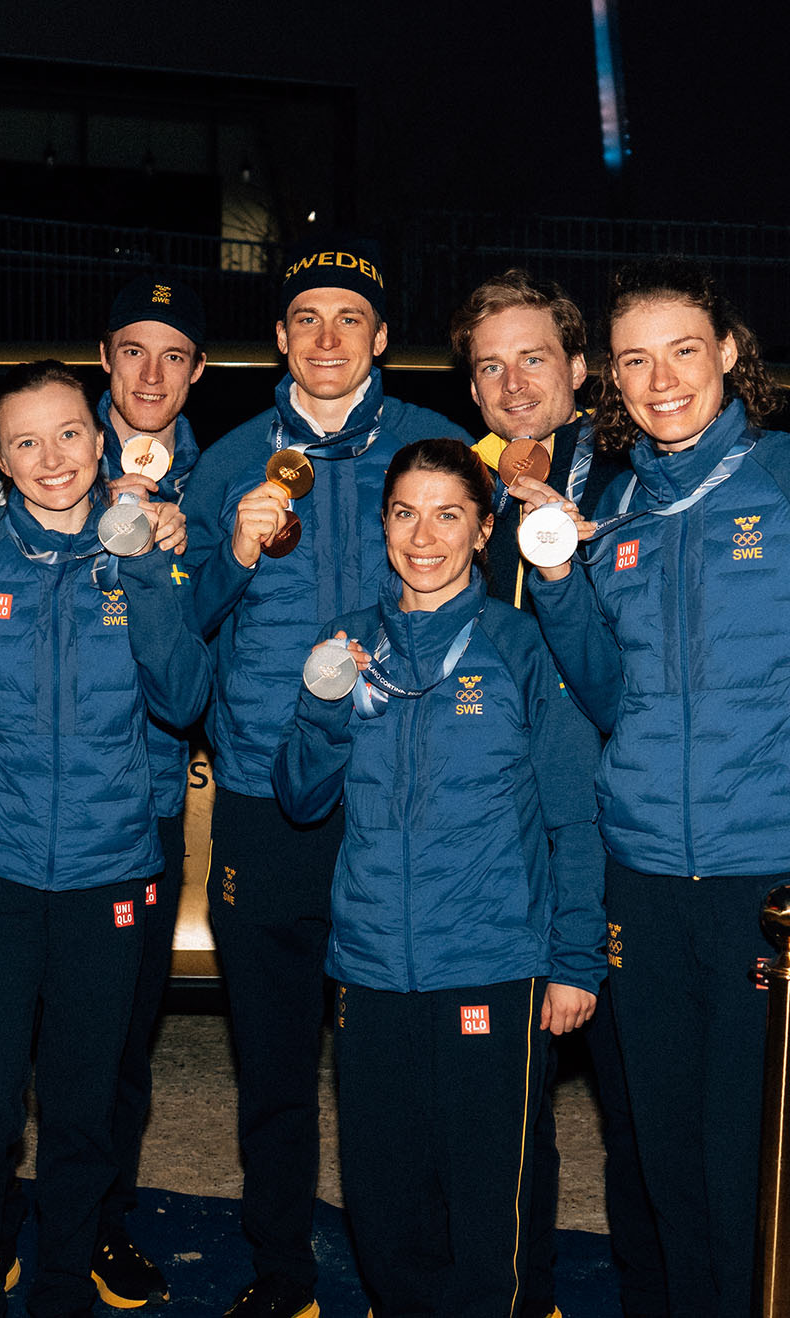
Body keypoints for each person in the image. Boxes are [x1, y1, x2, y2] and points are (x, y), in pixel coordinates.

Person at [181, 234, 468, 1318]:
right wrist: (231, 551)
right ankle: (282, 1273)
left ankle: (417, 1274)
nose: (328, 337)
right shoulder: (229, 460)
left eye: (351, 318)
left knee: (403, 1061)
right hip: (269, 798)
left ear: (382, 338)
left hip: (403, 799)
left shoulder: (438, 448)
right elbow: (182, 621)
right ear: (280, 339)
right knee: (274, 1062)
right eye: (307, 318)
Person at [273, 437, 604, 1318]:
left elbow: (573, 815)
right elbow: (299, 797)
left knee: (491, 1195)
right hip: (372, 961)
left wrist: (576, 959)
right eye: (405, 514)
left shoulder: (521, 645)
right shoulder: (347, 643)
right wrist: (324, 706)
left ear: (485, 530)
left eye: (449, 515)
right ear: (383, 525)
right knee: (384, 1196)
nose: (424, 537)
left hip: (493, 960)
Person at [524, 258, 787, 1318]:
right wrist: (558, 581)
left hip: (763, 877)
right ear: (613, 380)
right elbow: (602, 692)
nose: (661, 379)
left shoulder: (782, 481)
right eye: (636, 360)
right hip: (640, 871)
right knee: (662, 1147)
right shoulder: (619, 509)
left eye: (684, 350)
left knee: (744, 1154)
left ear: (729, 352)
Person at [0, 360, 211, 1318]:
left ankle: (61, 1294)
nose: (53, 458)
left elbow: (184, 696)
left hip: (108, 868)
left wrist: (145, 562)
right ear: (0, 460)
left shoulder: (146, 545)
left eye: (69, 434)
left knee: (84, 1108)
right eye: (26, 442)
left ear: (100, 439)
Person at [451, 270, 664, 1318]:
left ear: (581, 368)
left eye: (534, 358)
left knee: (638, 1107)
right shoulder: (463, 488)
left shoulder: (631, 479)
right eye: (490, 367)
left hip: (612, 823)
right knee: (507, 1103)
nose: (514, 384)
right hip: (495, 832)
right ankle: (518, 1295)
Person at [91, 274, 206, 1307]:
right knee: (4, 1041)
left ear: (198, 372)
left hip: (151, 799)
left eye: (175, 355)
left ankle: (102, 1221)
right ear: (105, 358)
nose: (152, 374)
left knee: (124, 1037)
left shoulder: (222, 481)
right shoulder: (46, 452)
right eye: (134, 349)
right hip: (34, 801)